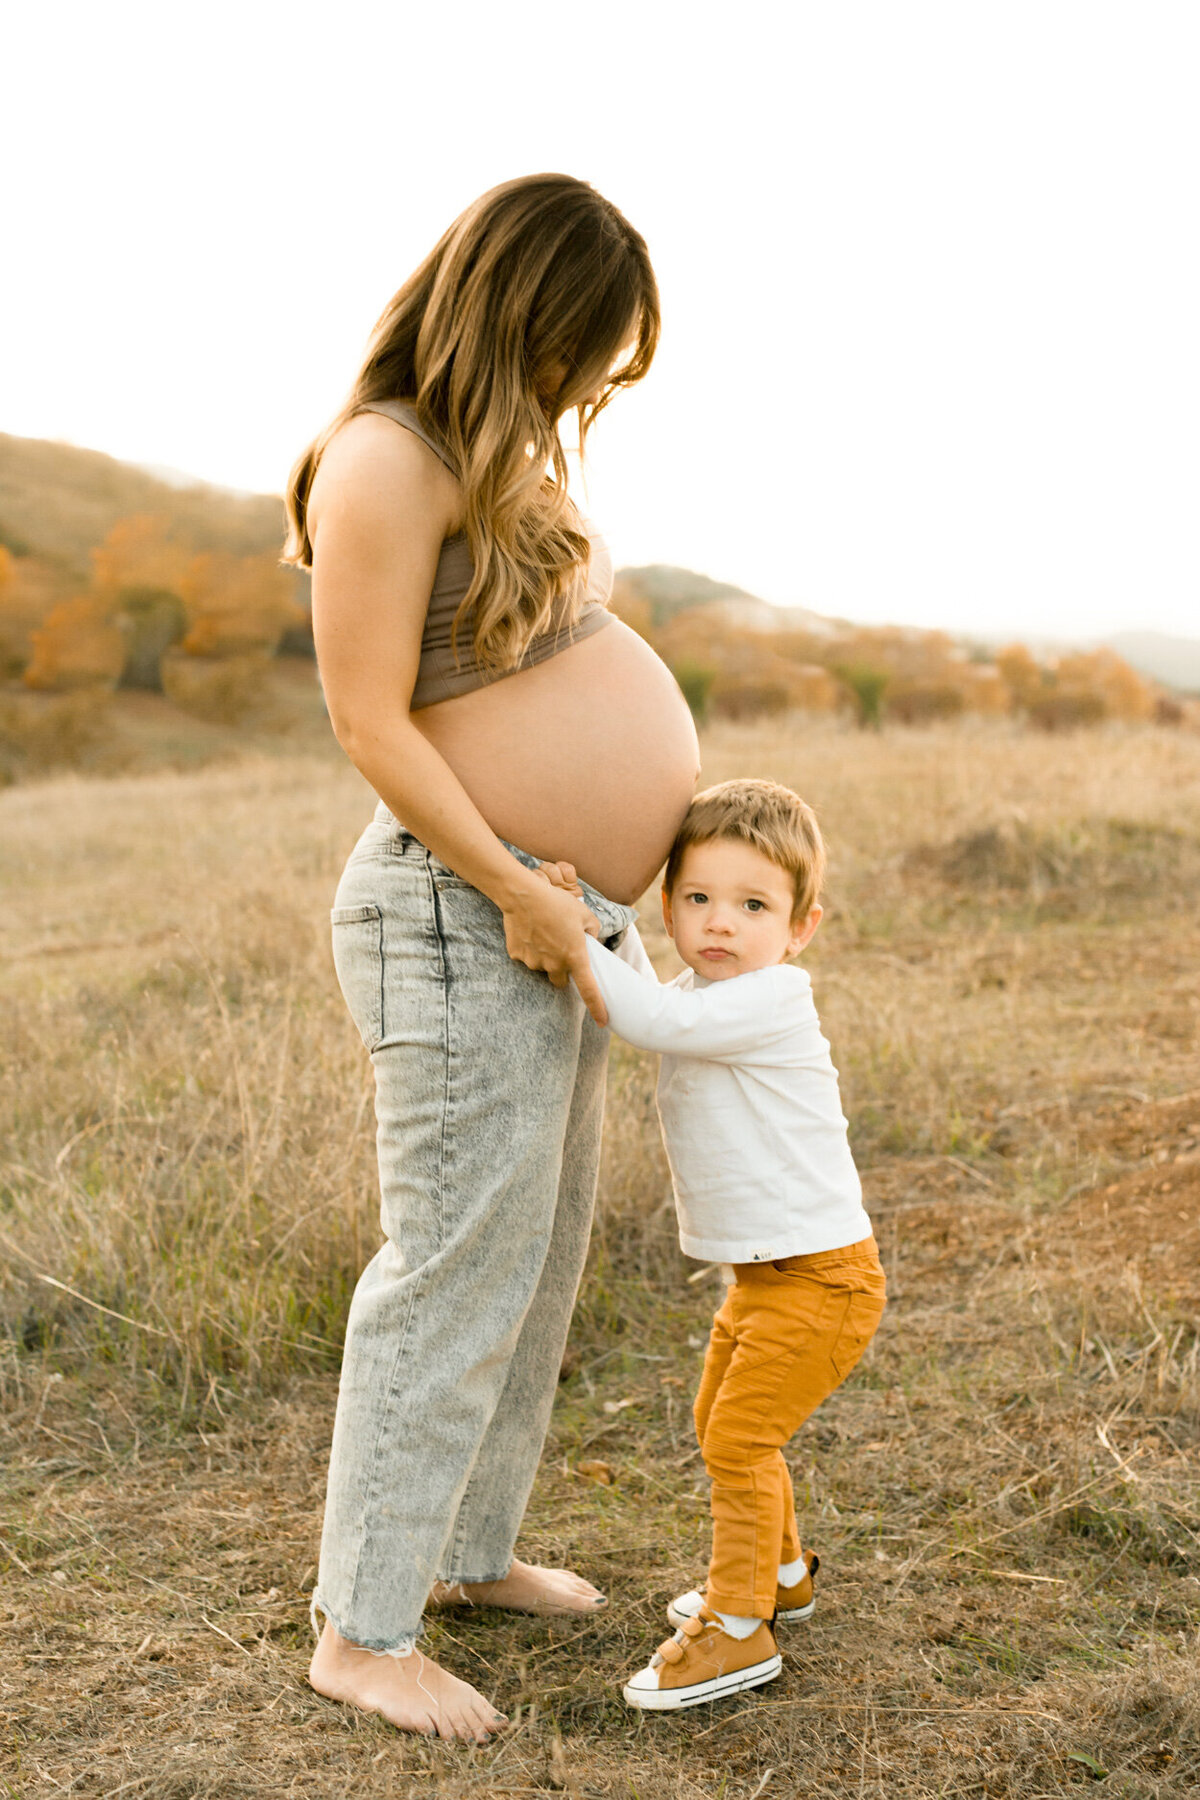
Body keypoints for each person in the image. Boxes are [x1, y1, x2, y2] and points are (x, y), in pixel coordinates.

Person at [283, 173, 700, 1743]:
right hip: (460, 914)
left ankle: (461, 1553)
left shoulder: (490, 459)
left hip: (548, 916)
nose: (596, 387)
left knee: (534, 1257)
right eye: (592, 349)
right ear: (525, 307)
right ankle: (362, 1626)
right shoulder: (386, 456)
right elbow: (366, 719)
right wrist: (521, 891)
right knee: (453, 1261)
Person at [554, 779, 887, 1710]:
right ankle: (778, 1575)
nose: (720, 924)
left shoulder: (771, 998)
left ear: (800, 928)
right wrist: (592, 918)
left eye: (752, 906)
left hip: (823, 1283)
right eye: (697, 899)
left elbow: (648, 1019)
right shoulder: (705, 990)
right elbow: (653, 1000)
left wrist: (566, 927)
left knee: (741, 1442)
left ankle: (740, 1629)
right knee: (722, 1427)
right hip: (764, 1281)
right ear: (668, 907)